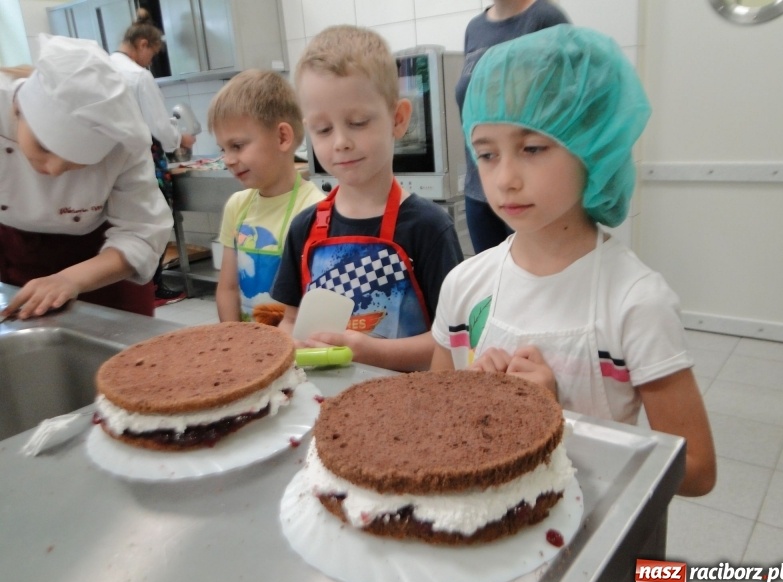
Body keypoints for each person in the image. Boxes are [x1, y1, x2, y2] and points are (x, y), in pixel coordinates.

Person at [431, 26, 716, 497]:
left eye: (533, 149)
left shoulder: (634, 303)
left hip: (589, 534)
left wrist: (553, 422)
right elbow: (436, 415)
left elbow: (698, 470)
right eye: (486, 153)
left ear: (593, 144)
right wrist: (475, 400)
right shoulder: (465, 286)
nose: (504, 179)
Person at [271, 25, 464, 372]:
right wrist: (292, 342)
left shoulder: (429, 229)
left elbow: (452, 344)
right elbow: (290, 321)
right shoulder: (305, 228)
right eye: (324, 129)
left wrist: (365, 350)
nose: (341, 141)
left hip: (412, 407)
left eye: (358, 122)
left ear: (398, 119)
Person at [0, 34, 172, 320]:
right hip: (13, 256)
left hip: (100, 265)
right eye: (43, 147)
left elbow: (141, 232)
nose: (53, 169)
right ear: (19, 110)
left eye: (75, 164)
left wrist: (71, 279)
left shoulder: (124, 142)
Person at [207, 69, 325, 322]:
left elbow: (315, 304)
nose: (228, 159)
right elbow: (227, 289)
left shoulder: (315, 209)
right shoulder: (237, 206)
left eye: (237, 146)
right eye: (223, 149)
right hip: (247, 345)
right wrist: (233, 340)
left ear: (282, 137)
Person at [455, 0, 569, 254]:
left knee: (537, 283)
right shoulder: (475, 28)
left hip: (528, 190)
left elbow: (569, 110)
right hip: (479, 189)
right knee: (493, 286)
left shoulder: (544, 18)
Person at [110, 9, 196, 306]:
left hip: (111, 164)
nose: (151, 61)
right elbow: (161, 127)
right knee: (155, 220)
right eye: (152, 54)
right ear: (143, 44)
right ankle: (155, 288)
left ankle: (136, 287)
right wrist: (180, 138)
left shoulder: (104, 69)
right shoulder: (138, 76)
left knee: (125, 224)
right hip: (143, 159)